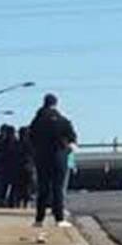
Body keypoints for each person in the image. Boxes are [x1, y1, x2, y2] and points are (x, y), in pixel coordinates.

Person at [29, 94, 77, 228]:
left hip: (42, 157)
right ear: (56, 104)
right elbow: (72, 137)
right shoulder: (62, 120)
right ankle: (59, 218)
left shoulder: (37, 120)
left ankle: (39, 219)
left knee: (43, 188)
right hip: (59, 156)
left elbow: (30, 137)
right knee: (58, 188)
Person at [0, 125, 19, 207]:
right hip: (8, 168)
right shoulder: (15, 143)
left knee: (2, 188)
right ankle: (9, 202)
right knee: (7, 188)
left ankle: (2, 202)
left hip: (2, 168)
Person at [12, 126, 36, 208]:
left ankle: (19, 203)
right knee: (27, 187)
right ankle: (26, 203)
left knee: (19, 187)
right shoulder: (31, 144)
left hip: (18, 168)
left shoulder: (16, 144)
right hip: (27, 167)